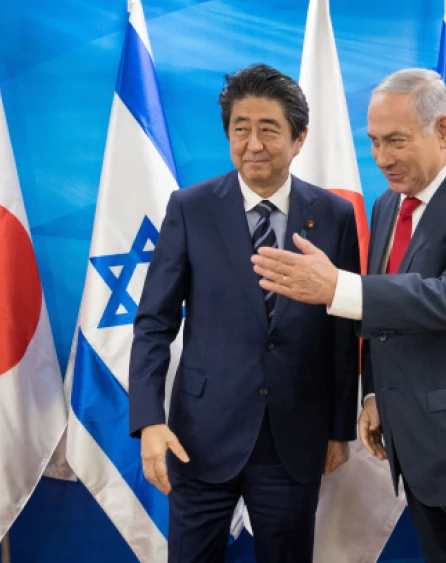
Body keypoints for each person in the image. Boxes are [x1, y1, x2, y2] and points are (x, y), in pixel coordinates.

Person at [251, 68, 446, 563]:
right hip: (420, 451)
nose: (381, 158)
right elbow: (388, 317)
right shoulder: (386, 206)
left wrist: (338, 287)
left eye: (395, 141)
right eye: (373, 141)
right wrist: (373, 392)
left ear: (442, 130)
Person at [128, 63, 360, 563]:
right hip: (201, 436)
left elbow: (342, 332)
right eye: (241, 129)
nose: (253, 143)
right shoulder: (190, 208)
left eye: (268, 130)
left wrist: (339, 427)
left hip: (294, 437)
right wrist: (148, 418)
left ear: (299, 139)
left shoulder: (335, 216)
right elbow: (154, 321)